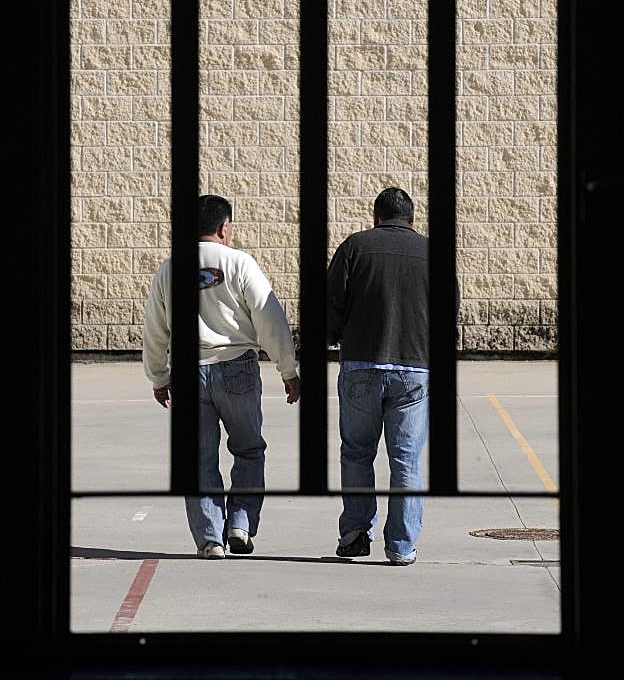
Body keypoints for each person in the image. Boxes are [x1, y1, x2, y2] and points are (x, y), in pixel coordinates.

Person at [142, 194, 300, 559]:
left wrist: (158, 376)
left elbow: (155, 327)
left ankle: (211, 538)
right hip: (237, 368)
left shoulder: (169, 268)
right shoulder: (240, 263)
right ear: (224, 227)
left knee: (198, 458)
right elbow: (269, 318)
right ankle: (240, 525)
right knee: (248, 450)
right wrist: (288, 370)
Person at [326, 186, 459, 566]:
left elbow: (331, 300)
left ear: (375, 217)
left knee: (356, 453)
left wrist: (333, 336)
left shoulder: (354, 247)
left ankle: (354, 533)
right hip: (416, 367)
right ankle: (400, 546)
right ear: (413, 220)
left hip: (361, 366)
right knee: (406, 461)